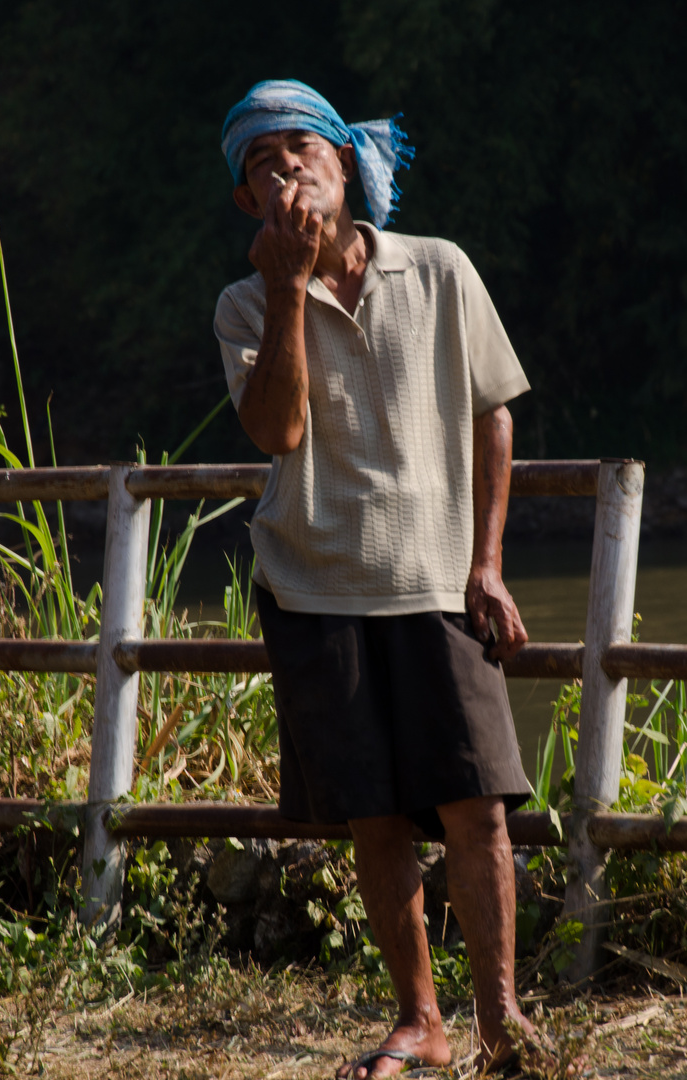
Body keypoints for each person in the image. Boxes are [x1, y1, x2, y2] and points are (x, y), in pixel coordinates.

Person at [214, 79, 546, 1078]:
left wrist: (485, 565)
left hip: (438, 583)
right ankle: (420, 1023)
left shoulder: (436, 270)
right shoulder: (242, 301)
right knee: (372, 815)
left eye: (297, 154)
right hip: (315, 587)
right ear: (246, 203)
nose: (284, 175)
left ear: (342, 163)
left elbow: (494, 408)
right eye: (259, 168)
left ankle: (500, 1019)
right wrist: (285, 290)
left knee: (476, 804)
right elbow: (276, 431)